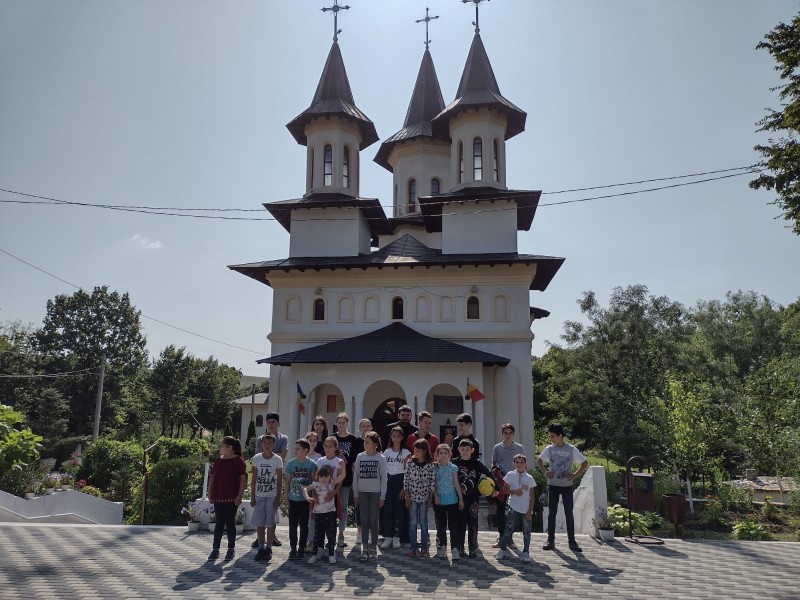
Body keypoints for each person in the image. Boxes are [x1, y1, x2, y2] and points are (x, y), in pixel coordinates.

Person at [536, 423, 589, 552]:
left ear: (560, 436)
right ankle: (550, 540)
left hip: (567, 487)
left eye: (553, 436)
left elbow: (584, 462)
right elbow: (539, 460)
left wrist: (575, 475)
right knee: (552, 514)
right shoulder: (549, 449)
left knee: (569, 514)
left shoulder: (571, 449)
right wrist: (545, 472)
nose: (551, 439)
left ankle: (572, 541)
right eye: (550, 436)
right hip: (553, 485)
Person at [453, 438, 497, 558]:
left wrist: (496, 487)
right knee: (460, 523)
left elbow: (488, 473)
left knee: (473, 523)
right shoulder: (455, 462)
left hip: (473, 498)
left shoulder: (476, 462)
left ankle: (472, 547)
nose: (465, 452)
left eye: (467, 450)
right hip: (459, 498)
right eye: (462, 450)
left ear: (472, 450)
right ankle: (460, 548)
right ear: (459, 449)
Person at [207, 436, 247, 562]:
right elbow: (213, 477)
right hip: (219, 495)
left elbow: (243, 479)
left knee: (229, 522)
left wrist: (239, 496)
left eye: (222, 446)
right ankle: (215, 549)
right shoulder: (219, 460)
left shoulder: (238, 461)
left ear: (230, 447)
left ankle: (231, 549)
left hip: (231, 496)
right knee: (219, 522)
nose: (220, 448)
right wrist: (209, 492)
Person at [253, 412, 288, 548]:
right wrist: (271, 454)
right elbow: (258, 455)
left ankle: (272, 538)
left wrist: (269, 454)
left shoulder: (283, 438)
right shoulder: (260, 439)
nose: (271, 424)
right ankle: (260, 539)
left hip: (274, 479)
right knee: (260, 515)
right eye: (269, 422)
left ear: (278, 423)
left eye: (274, 422)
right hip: (261, 482)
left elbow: (283, 455)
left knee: (271, 513)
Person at [495, 454, 536, 563]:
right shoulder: (510, 475)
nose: (519, 464)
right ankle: (502, 549)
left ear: (525, 464)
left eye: (522, 462)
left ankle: (526, 552)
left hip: (525, 508)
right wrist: (514, 492)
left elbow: (532, 496)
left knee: (526, 532)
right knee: (508, 529)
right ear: (513, 463)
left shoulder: (529, 478)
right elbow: (505, 490)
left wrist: (529, 511)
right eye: (517, 462)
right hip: (513, 506)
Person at [353, 431, 387, 561]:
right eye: (364, 442)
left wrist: (382, 496)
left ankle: (373, 547)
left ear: (375, 444)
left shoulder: (381, 458)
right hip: (362, 493)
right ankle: (365, 548)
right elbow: (356, 476)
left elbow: (384, 479)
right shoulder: (360, 456)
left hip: (375, 493)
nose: (364, 444)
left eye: (367, 442)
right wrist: (355, 493)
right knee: (364, 521)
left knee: (373, 520)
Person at [491, 423, 525, 549]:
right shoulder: (497, 448)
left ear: (513, 434)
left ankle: (510, 538)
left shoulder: (519, 448)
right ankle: (501, 536)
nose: (508, 435)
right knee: (500, 510)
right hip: (501, 482)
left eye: (510, 433)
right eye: (505, 433)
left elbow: (523, 465)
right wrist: (496, 472)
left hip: (515, 483)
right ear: (502, 434)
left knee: (513, 512)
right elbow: (493, 464)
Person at [250, 434, 283, 562]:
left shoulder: (277, 459)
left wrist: (278, 497)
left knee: (270, 523)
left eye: (270, 443)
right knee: (260, 523)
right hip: (259, 494)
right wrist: (252, 496)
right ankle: (260, 547)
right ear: (261, 444)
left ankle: (269, 547)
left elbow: (279, 480)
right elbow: (254, 478)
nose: (267, 445)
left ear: (274, 444)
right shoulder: (257, 458)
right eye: (265, 443)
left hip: (271, 495)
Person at [284, 438, 317, 561]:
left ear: (305, 450)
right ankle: (293, 549)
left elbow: (314, 482)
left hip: (305, 500)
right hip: (293, 499)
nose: (295, 451)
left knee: (304, 526)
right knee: (292, 526)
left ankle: (301, 549)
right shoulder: (291, 464)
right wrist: (286, 498)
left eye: (297, 449)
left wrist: (312, 499)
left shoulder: (311, 464)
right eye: (295, 448)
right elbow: (287, 482)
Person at [334, 412, 362, 547]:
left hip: (346, 478)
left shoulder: (353, 439)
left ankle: (341, 533)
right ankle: (330, 533)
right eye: (339, 422)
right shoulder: (332, 438)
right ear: (336, 424)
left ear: (347, 423)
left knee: (344, 507)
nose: (341, 425)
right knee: (330, 507)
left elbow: (354, 458)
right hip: (332, 478)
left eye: (343, 422)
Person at [403, 438, 435, 559]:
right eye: (414, 449)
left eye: (418, 450)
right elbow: (406, 479)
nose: (415, 452)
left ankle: (424, 549)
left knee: (424, 523)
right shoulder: (410, 462)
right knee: (412, 523)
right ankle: (413, 548)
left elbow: (432, 481)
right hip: (413, 496)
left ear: (424, 451)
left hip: (424, 497)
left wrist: (430, 498)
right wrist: (407, 496)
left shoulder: (429, 464)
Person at [433, 444, 464, 560]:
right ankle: (442, 546)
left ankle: (454, 548)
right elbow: (433, 483)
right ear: (437, 455)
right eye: (441, 453)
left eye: (445, 453)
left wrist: (460, 499)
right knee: (441, 525)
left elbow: (456, 483)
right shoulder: (434, 468)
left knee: (453, 525)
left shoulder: (453, 468)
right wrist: (435, 496)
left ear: (449, 455)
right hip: (439, 501)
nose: (443, 455)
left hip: (452, 500)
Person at [381, 426, 410, 549]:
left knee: (399, 510)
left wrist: (404, 488)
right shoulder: (386, 452)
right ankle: (388, 536)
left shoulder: (406, 452)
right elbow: (383, 469)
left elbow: (408, 471)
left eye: (398, 436)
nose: (396, 438)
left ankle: (396, 536)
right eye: (394, 436)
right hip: (388, 482)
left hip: (400, 481)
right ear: (391, 437)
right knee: (388, 511)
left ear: (402, 437)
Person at [304, 465, 337, 565]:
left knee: (330, 534)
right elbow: (305, 489)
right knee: (318, 535)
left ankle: (331, 554)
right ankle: (315, 554)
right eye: (321, 476)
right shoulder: (316, 485)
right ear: (318, 477)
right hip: (318, 513)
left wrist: (342, 465)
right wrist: (308, 498)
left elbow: (342, 477)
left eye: (326, 476)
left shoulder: (332, 484)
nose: (323, 478)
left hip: (330, 513)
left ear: (330, 477)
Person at [354, 418, 374, 547]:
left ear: (371, 427)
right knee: (359, 505)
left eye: (368, 426)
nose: (365, 428)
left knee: (371, 507)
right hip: (359, 477)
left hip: (372, 478)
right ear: (359, 428)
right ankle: (360, 531)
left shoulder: (375, 441)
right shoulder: (356, 442)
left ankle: (371, 531)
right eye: (363, 426)